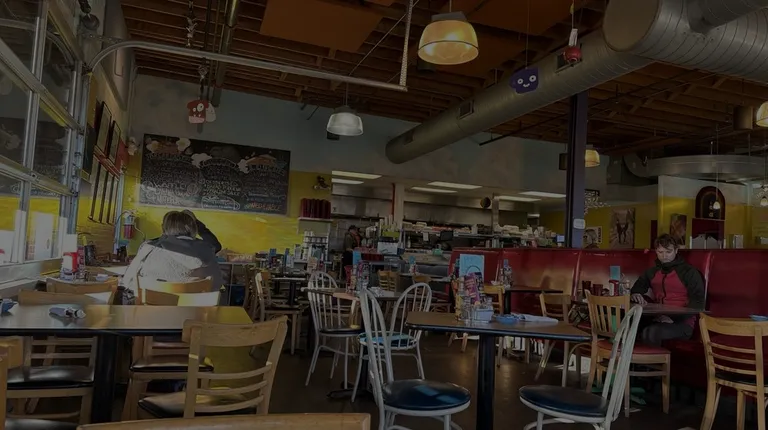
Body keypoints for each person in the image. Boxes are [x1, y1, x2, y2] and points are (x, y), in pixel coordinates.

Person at [630, 234, 705, 346]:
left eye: (668, 252)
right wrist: (636, 294)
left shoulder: (689, 272)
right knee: (630, 325)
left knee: (652, 332)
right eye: (660, 252)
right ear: (656, 251)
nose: (664, 256)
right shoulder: (652, 272)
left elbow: (698, 302)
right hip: (658, 318)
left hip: (683, 323)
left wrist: (674, 319)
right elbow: (637, 288)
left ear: (676, 250)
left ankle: (651, 358)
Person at [122, 211, 223, 294]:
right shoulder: (206, 249)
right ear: (194, 228)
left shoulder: (149, 248)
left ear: (164, 228)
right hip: (193, 310)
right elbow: (216, 286)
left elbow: (127, 281)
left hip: (151, 309)